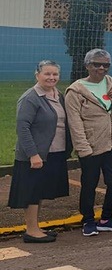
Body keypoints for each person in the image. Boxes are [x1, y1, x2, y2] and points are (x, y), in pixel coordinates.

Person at [65, 49, 112, 236]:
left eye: (106, 65)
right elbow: (74, 122)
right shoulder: (75, 90)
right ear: (87, 65)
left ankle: (106, 218)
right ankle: (88, 220)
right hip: (91, 146)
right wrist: (83, 148)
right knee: (89, 184)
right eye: (97, 64)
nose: (102, 68)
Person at [9, 60, 70, 243]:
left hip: (53, 152)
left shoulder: (58, 95)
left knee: (40, 190)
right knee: (32, 193)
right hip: (35, 155)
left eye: (55, 74)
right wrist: (33, 154)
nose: (51, 77)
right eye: (47, 74)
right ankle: (31, 231)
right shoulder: (30, 98)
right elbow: (22, 128)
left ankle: (36, 227)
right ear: (37, 75)